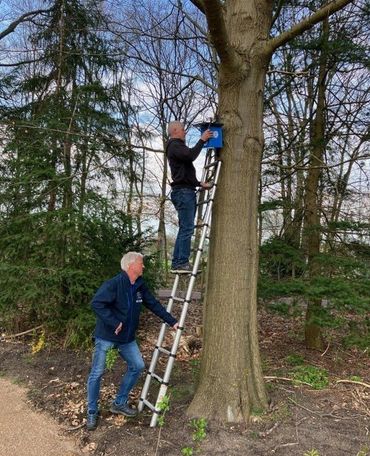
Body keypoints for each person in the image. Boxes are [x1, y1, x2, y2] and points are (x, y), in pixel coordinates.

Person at [86, 252, 178, 431]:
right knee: (97, 373)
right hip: (106, 336)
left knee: (137, 365)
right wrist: (114, 322)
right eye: (141, 263)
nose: (143, 266)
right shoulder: (113, 284)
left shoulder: (139, 286)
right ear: (131, 266)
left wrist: (171, 321)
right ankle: (91, 411)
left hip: (126, 338)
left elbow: (153, 304)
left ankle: (119, 403)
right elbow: (97, 303)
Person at [166, 121, 213, 273]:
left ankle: (177, 262)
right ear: (174, 130)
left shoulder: (176, 147)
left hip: (184, 190)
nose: (185, 132)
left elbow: (184, 173)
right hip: (183, 192)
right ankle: (181, 263)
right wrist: (202, 140)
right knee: (187, 228)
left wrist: (199, 183)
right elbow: (191, 155)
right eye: (182, 130)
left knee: (184, 228)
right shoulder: (174, 145)